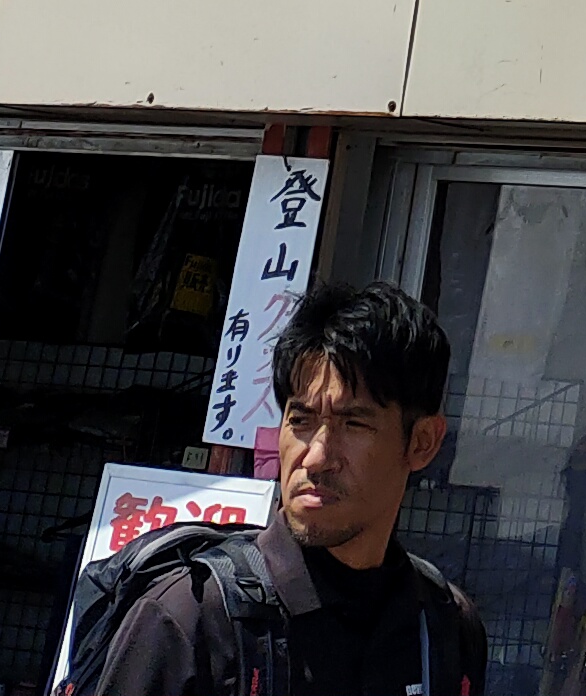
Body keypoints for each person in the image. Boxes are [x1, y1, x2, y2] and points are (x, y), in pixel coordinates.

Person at [85, 283, 488, 696]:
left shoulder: (445, 628)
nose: (316, 457)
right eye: (300, 420)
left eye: (353, 424)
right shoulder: (193, 618)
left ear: (422, 442)